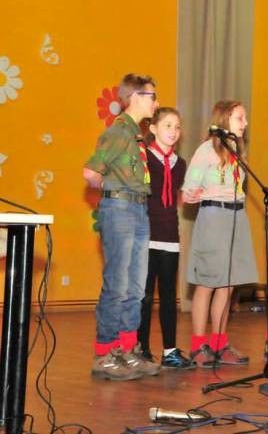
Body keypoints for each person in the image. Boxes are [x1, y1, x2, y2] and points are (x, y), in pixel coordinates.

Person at [83, 73, 161, 380]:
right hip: (120, 209)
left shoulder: (136, 135)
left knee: (136, 286)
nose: (156, 102)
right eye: (152, 96)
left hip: (139, 209)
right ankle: (105, 353)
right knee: (117, 283)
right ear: (136, 97)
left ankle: (127, 349)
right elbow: (90, 172)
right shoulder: (118, 132)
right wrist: (112, 191)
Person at [181, 100, 258, 367]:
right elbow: (188, 191)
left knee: (228, 284)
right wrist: (196, 193)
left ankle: (219, 343)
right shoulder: (205, 151)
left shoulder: (237, 151)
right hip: (214, 217)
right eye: (240, 118)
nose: (245, 123)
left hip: (237, 217)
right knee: (207, 283)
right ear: (224, 119)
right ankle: (198, 346)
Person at [136, 107, 194, 370]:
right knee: (145, 295)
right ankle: (142, 349)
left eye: (177, 127)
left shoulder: (180, 164)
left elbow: (175, 196)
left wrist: (190, 196)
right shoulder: (143, 157)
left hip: (170, 234)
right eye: (168, 125)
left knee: (169, 295)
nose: (173, 131)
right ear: (153, 128)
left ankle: (170, 351)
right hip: (146, 233)